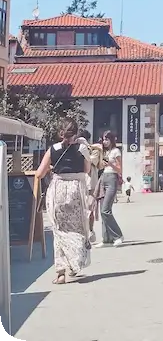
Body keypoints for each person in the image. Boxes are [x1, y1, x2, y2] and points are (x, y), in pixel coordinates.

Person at [35, 119, 92, 284]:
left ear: (60, 133)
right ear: (75, 133)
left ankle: (60, 273)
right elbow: (87, 170)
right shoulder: (82, 148)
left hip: (57, 190)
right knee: (78, 229)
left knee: (59, 231)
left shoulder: (53, 149)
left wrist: (52, 171)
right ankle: (75, 264)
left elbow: (39, 173)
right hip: (76, 191)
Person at [95, 131, 125, 247]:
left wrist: (110, 164)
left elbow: (119, 169)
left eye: (107, 139)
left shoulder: (116, 151)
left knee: (105, 210)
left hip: (112, 178)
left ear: (112, 140)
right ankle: (106, 238)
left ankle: (118, 235)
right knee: (102, 209)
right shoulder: (105, 151)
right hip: (103, 178)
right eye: (103, 139)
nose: (104, 141)